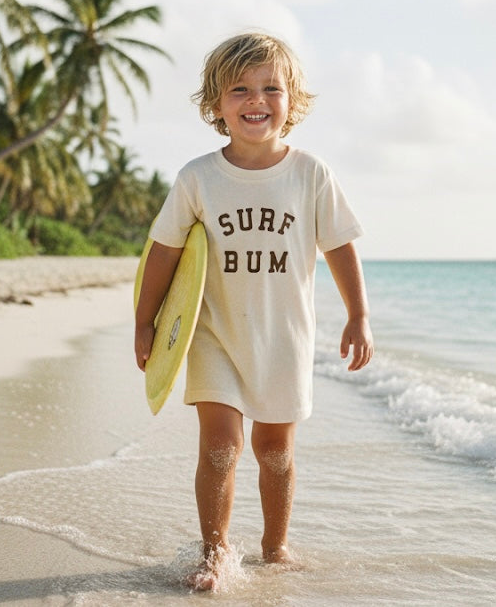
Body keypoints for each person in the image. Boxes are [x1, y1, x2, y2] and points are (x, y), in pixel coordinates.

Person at [134, 31, 374, 591]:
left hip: (284, 337)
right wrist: (146, 321)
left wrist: (358, 315)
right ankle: (214, 553)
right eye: (239, 89)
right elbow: (164, 252)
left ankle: (274, 547)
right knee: (220, 448)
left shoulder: (310, 174)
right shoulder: (198, 177)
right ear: (216, 104)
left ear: (293, 100)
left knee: (275, 453)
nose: (255, 100)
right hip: (214, 334)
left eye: (271, 88)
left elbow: (340, 246)